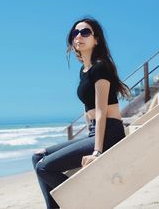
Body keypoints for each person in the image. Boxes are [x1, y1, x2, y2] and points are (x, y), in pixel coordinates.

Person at [32, 17, 130, 209]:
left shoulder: (100, 66)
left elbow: (101, 111)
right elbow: (89, 111)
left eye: (85, 32)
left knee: (43, 167)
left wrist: (97, 151)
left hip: (110, 132)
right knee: (37, 157)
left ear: (96, 39)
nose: (79, 36)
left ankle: (85, 201)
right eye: (75, 33)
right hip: (95, 132)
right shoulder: (84, 70)